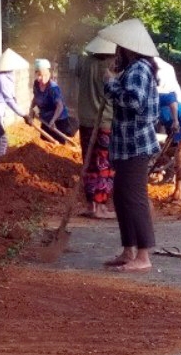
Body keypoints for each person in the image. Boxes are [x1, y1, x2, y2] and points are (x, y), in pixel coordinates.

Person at [99, 19, 160, 272]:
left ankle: (143, 256)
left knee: (134, 199)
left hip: (135, 146)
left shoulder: (138, 70)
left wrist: (110, 84)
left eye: (119, 48)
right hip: (127, 145)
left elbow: (133, 102)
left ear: (128, 48)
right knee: (122, 196)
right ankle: (128, 250)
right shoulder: (136, 69)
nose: (116, 53)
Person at [76, 36, 116, 219]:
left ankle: (91, 205)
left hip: (85, 121)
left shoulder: (85, 63)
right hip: (104, 122)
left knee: (89, 163)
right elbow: (113, 93)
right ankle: (100, 207)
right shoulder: (107, 67)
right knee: (103, 166)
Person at [31, 58, 77, 143]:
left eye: (41, 75)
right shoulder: (36, 84)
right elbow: (35, 98)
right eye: (37, 75)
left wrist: (53, 120)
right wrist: (31, 112)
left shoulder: (53, 88)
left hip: (58, 120)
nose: (39, 78)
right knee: (45, 143)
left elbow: (60, 106)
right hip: (45, 119)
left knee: (59, 146)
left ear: (47, 74)